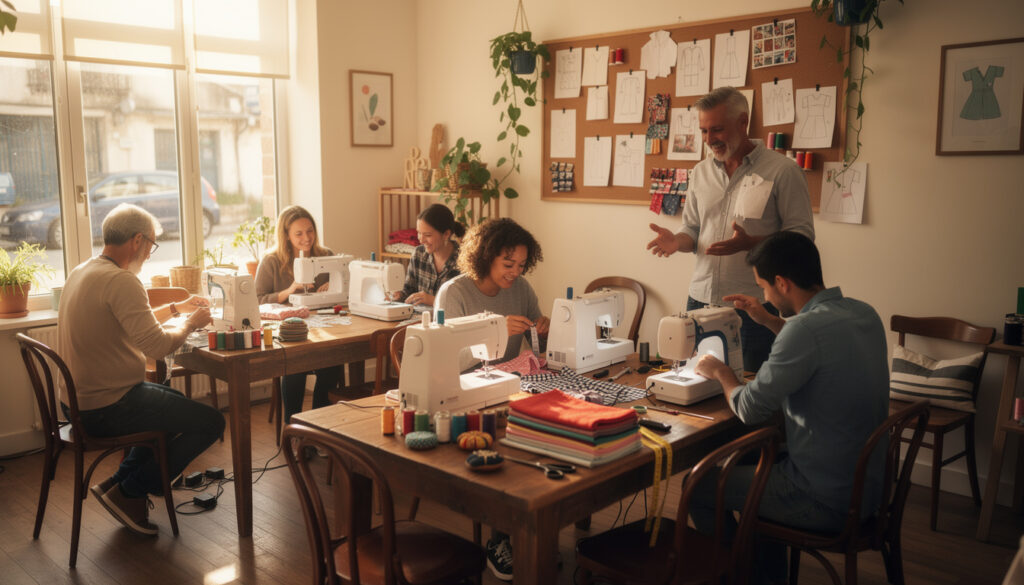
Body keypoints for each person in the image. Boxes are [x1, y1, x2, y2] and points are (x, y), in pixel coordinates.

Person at [689, 231, 889, 584]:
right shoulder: (862, 313)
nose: (763, 296)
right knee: (753, 456)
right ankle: (763, 571)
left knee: (699, 485)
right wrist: (768, 320)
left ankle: (738, 573)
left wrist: (720, 372)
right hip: (867, 487)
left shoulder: (803, 330)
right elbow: (817, 344)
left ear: (781, 283)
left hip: (823, 500)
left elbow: (749, 408)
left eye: (763, 287)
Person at [57, 203, 224, 537]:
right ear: (137, 240)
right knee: (211, 422)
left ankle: (118, 483)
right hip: (106, 408)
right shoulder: (121, 281)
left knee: (171, 402)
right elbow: (159, 346)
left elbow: (137, 323)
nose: (149, 253)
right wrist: (191, 322)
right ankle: (132, 491)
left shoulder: (84, 271)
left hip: (76, 403)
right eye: (151, 245)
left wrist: (178, 307)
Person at [646, 86, 814, 372]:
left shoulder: (783, 171)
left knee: (751, 395)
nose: (709, 139)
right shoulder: (700, 172)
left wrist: (752, 243)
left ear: (743, 122)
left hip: (755, 308)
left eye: (717, 129)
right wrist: (678, 241)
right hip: (699, 300)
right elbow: (693, 230)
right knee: (697, 384)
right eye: (703, 131)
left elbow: (802, 240)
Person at [434, 217, 550, 581]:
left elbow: (537, 343)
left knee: (549, 429)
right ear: (485, 256)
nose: (515, 273)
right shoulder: (455, 293)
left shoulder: (522, 289)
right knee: (512, 443)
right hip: (466, 392)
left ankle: (530, 532)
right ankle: (502, 538)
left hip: (510, 387)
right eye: (507, 264)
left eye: (520, 265)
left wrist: (545, 327)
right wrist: (496, 331)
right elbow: (447, 359)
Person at [255, 205, 342, 425]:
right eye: (299, 233)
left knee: (333, 365)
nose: (307, 238)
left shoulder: (326, 256)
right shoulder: (272, 262)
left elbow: (340, 289)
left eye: (310, 231)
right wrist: (289, 290)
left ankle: (318, 428)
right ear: (286, 235)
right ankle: (293, 429)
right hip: (291, 333)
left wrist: (334, 285)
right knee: (294, 368)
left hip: (324, 331)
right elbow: (257, 300)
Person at [392, 203, 464, 307]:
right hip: (420, 319)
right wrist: (399, 296)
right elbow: (409, 291)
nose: (421, 239)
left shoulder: (463, 260)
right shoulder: (419, 254)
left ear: (446, 234)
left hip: (449, 322)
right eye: (419, 233)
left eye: (427, 235)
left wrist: (434, 300)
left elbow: (465, 306)